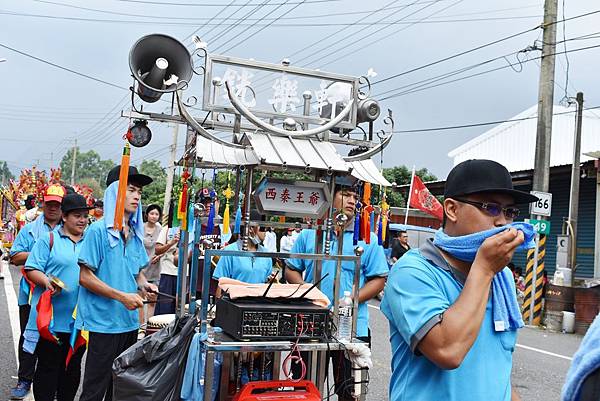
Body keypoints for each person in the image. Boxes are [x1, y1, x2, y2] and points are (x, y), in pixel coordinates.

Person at [381, 159, 539, 401]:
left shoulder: (502, 277)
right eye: (491, 207)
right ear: (452, 209)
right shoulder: (414, 271)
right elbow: (447, 351)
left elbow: (496, 371)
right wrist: (484, 269)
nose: (502, 222)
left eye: (509, 212)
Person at [285, 177, 388, 401]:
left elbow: (379, 279)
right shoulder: (309, 234)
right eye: (346, 195)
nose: (352, 201)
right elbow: (290, 270)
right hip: (311, 326)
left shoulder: (367, 239)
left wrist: (353, 298)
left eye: (355, 197)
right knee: (305, 389)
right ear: (330, 197)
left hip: (351, 327)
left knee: (350, 392)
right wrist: (310, 292)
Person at [76, 165, 158, 401]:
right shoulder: (98, 231)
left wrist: (144, 286)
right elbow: (84, 277)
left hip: (130, 323)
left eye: (139, 192)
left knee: (120, 388)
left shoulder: (134, 233)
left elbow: (135, 273)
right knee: (95, 389)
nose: (136, 196)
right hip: (104, 324)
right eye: (131, 189)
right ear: (115, 192)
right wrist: (122, 297)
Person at [24, 193, 92, 401]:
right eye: (77, 216)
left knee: (71, 372)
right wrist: (47, 282)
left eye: (84, 216)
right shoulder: (49, 239)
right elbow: (31, 268)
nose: (82, 220)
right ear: (64, 217)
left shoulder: (90, 241)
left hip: (78, 322)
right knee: (47, 371)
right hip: (51, 322)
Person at [9, 184, 66, 400]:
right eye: (49, 203)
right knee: (28, 336)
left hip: (61, 298)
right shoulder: (30, 230)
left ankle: (50, 380)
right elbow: (14, 256)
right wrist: (38, 252)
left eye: (57, 204)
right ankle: (24, 379)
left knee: (55, 339)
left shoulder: (69, 228)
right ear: (43, 204)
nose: (52, 208)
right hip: (31, 294)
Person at [213, 211, 273, 289]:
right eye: (263, 228)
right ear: (251, 228)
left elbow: (266, 281)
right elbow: (221, 284)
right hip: (235, 300)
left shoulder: (266, 254)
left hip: (259, 300)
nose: (266, 232)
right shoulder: (230, 251)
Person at [141, 204, 163, 321]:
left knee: (152, 298)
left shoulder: (161, 229)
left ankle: (149, 325)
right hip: (141, 267)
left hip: (155, 267)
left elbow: (164, 246)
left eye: (156, 214)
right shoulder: (141, 227)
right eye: (152, 213)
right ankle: (140, 326)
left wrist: (160, 255)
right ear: (147, 215)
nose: (154, 216)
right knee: (140, 298)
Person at [154, 224, 181, 315]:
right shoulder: (168, 228)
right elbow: (157, 250)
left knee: (182, 310)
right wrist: (171, 243)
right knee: (164, 310)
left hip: (186, 275)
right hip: (168, 273)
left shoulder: (193, 228)